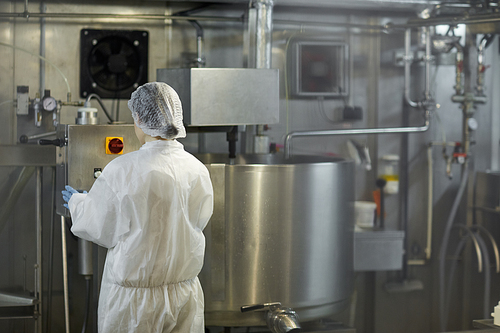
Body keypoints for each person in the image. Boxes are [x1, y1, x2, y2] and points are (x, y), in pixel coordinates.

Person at [62, 82, 214, 333]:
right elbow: (197, 221)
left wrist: (78, 203)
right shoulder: (197, 169)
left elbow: (100, 227)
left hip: (134, 306)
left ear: (140, 118)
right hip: (184, 297)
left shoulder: (123, 170)